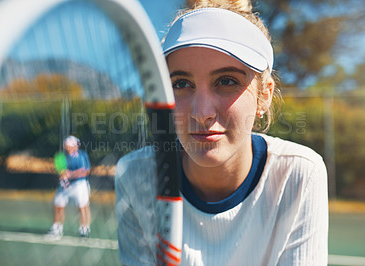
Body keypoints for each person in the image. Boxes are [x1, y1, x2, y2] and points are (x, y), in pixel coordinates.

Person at [115, 0, 328, 265]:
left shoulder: (299, 174)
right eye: (181, 83)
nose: (201, 113)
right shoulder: (135, 176)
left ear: (265, 95)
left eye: (226, 81)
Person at [47, 135, 91, 238]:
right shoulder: (61, 156)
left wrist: (70, 174)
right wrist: (67, 174)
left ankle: (85, 228)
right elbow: (61, 173)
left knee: (83, 207)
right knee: (58, 205)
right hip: (65, 185)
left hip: (80, 184)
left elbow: (85, 171)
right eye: (66, 145)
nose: (67, 147)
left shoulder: (82, 155)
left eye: (69, 145)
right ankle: (57, 228)